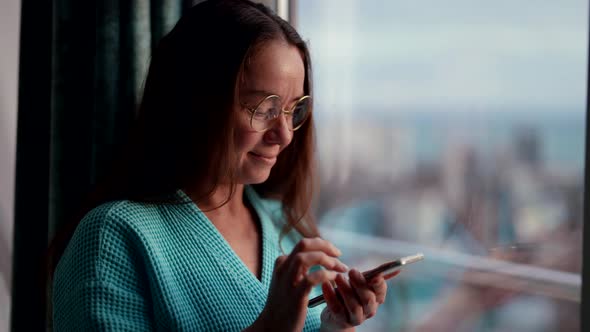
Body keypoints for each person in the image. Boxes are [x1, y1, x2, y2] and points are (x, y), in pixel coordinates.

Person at [50, 0, 394, 330]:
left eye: (293, 110)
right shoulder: (114, 237)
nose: (285, 135)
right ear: (195, 101)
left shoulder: (286, 226)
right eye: (263, 108)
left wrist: (340, 322)